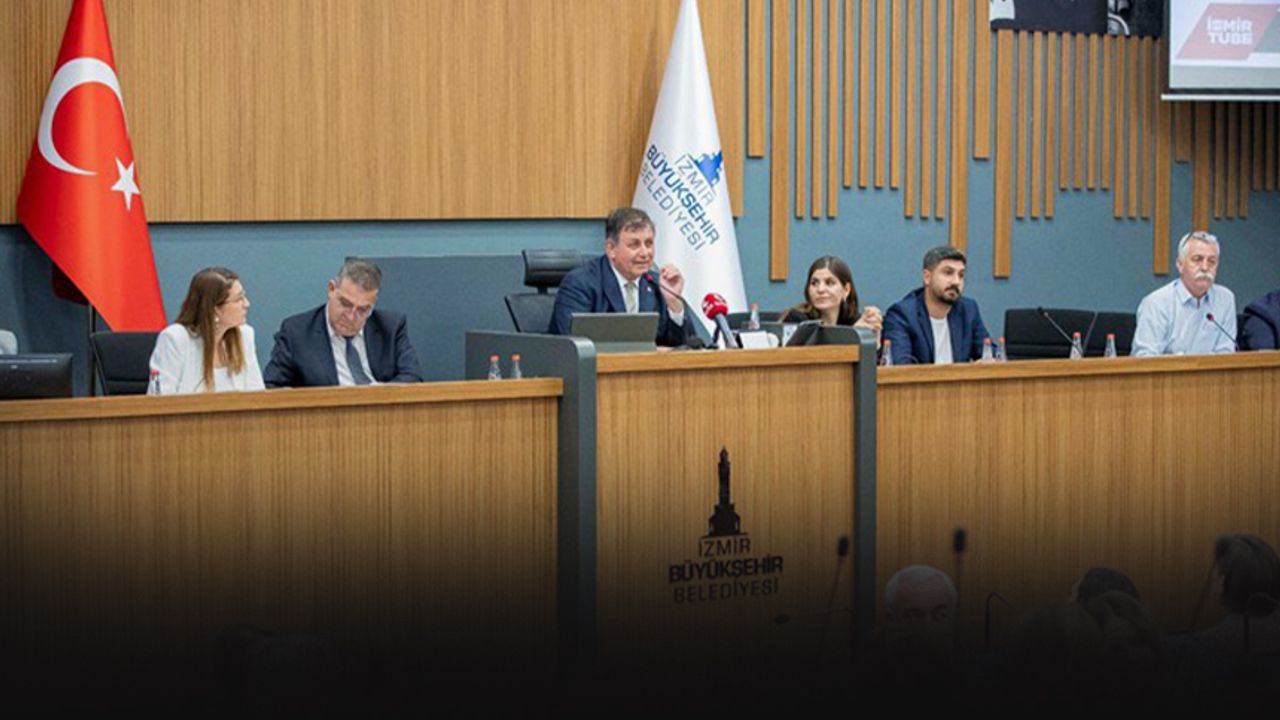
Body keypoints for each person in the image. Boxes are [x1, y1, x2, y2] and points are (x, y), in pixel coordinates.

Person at [263, 258, 423, 387]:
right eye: (345, 304)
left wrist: (376, 395)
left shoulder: (390, 327)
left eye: (362, 310)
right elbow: (272, 387)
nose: (351, 316)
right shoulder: (296, 332)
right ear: (331, 289)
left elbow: (413, 378)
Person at [549, 207, 694, 347]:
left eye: (649, 244)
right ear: (611, 249)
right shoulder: (580, 284)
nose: (645, 253)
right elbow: (575, 346)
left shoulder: (658, 285)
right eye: (634, 245)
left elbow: (689, 347)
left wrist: (674, 304)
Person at [149, 267, 265, 394]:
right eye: (238, 299)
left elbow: (257, 396)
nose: (246, 304)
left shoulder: (244, 335)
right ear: (215, 309)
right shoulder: (175, 339)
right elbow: (160, 400)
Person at [1132, 230, 1236, 356]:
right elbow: (1144, 358)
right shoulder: (1157, 304)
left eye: (1211, 261)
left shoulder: (1225, 299)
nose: (1205, 267)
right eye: (1197, 259)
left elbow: (1226, 354)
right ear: (1180, 265)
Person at [881, 245, 990, 364]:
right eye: (948, 273)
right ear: (927, 277)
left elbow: (988, 351)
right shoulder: (903, 315)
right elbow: (901, 366)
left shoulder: (968, 310)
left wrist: (988, 361)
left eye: (961, 275)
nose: (956, 281)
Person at [778, 255, 883, 338]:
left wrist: (874, 338)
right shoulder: (797, 319)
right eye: (814, 283)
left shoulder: (852, 321)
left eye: (829, 283)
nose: (820, 289)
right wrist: (853, 335)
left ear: (846, 290)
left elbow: (871, 358)